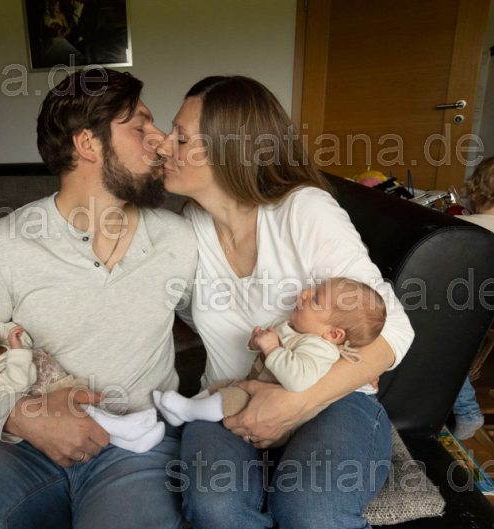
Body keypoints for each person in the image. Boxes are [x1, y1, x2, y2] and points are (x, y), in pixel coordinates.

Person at [0, 69, 198, 529]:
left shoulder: (178, 238)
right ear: (88, 144)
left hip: (135, 443)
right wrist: (23, 418)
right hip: (22, 444)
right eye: (140, 126)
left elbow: (228, 325)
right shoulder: (4, 243)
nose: (160, 140)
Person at [155, 75, 415, 529]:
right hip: (227, 394)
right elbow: (181, 310)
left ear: (230, 150)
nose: (162, 145)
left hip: (331, 398)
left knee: (310, 508)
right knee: (215, 507)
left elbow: (396, 327)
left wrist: (295, 403)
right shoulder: (187, 228)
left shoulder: (302, 210)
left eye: (180, 137)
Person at [154, 278, 386, 448]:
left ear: (333, 334)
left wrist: (272, 348)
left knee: (228, 398)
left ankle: (188, 411)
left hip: (272, 412)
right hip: (253, 386)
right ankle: (180, 412)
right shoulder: (295, 327)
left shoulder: (320, 349)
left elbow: (298, 380)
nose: (305, 293)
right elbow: (267, 349)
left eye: (316, 298)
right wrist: (257, 342)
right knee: (219, 387)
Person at [0, 321, 166, 453]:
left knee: (96, 410)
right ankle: (126, 427)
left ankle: (131, 442)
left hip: (61, 384)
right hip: (50, 403)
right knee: (90, 415)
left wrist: (3, 330)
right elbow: (20, 381)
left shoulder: (0, 345)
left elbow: (24, 337)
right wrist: (16, 349)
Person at [450, 156, 494, 439]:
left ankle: (466, 409)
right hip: (485, 315)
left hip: (465, 313)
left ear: (475, 191)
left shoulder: (459, 227)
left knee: (444, 343)